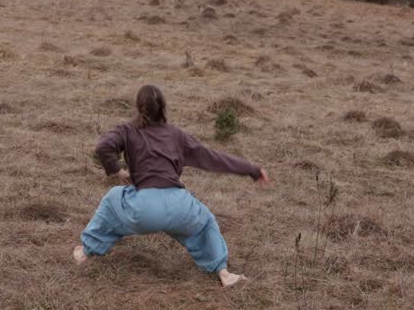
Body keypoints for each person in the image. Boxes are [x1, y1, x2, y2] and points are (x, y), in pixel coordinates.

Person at [72, 84, 270, 287]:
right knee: (206, 221)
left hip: (142, 209)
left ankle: (86, 252)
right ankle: (224, 272)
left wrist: (118, 171)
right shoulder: (177, 135)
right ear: (164, 107)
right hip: (179, 206)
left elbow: (103, 146)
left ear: (138, 107)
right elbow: (212, 157)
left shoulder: (127, 130)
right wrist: (251, 169)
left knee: (112, 199)